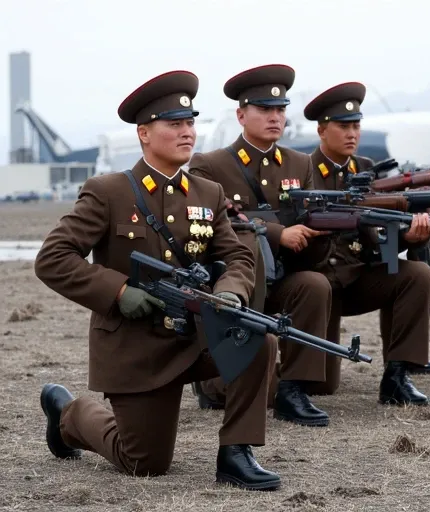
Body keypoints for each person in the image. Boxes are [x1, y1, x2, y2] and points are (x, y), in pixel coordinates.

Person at [34, 70, 281, 491]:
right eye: (175, 124)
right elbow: (53, 258)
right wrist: (118, 291)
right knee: (144, 463)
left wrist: (229, 293)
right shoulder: (107, 191)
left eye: (190, 123)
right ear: (144, 133)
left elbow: (239, 254)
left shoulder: (208, 193)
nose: (188, 132)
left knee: (258, 336)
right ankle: (68, 414)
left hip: (194, 337)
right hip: (136, 347)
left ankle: (237, 453)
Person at [187, 64, 335, 427]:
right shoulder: (211, 165)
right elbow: (212, 223)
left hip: (281, 279)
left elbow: (311, 248)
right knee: (233, 386)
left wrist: (325, 230)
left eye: (280, 110)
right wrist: (274, 232)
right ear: (241, 115)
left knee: (315, 285)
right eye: (264, 110)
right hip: (235, 283)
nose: (274, 117)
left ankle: (294, 390)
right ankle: (216, 382)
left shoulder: (301, 163)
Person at [302, 82, 430, 405]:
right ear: (322, 130)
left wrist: (407, 238)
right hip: (317, 285)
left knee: (417, 275)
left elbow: (378, 242)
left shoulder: (367, 171)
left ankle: (397, 376)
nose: (352, 133)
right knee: (320, 386)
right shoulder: (302, 170)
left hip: (358, 280)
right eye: (343, 126)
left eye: (356, 126)